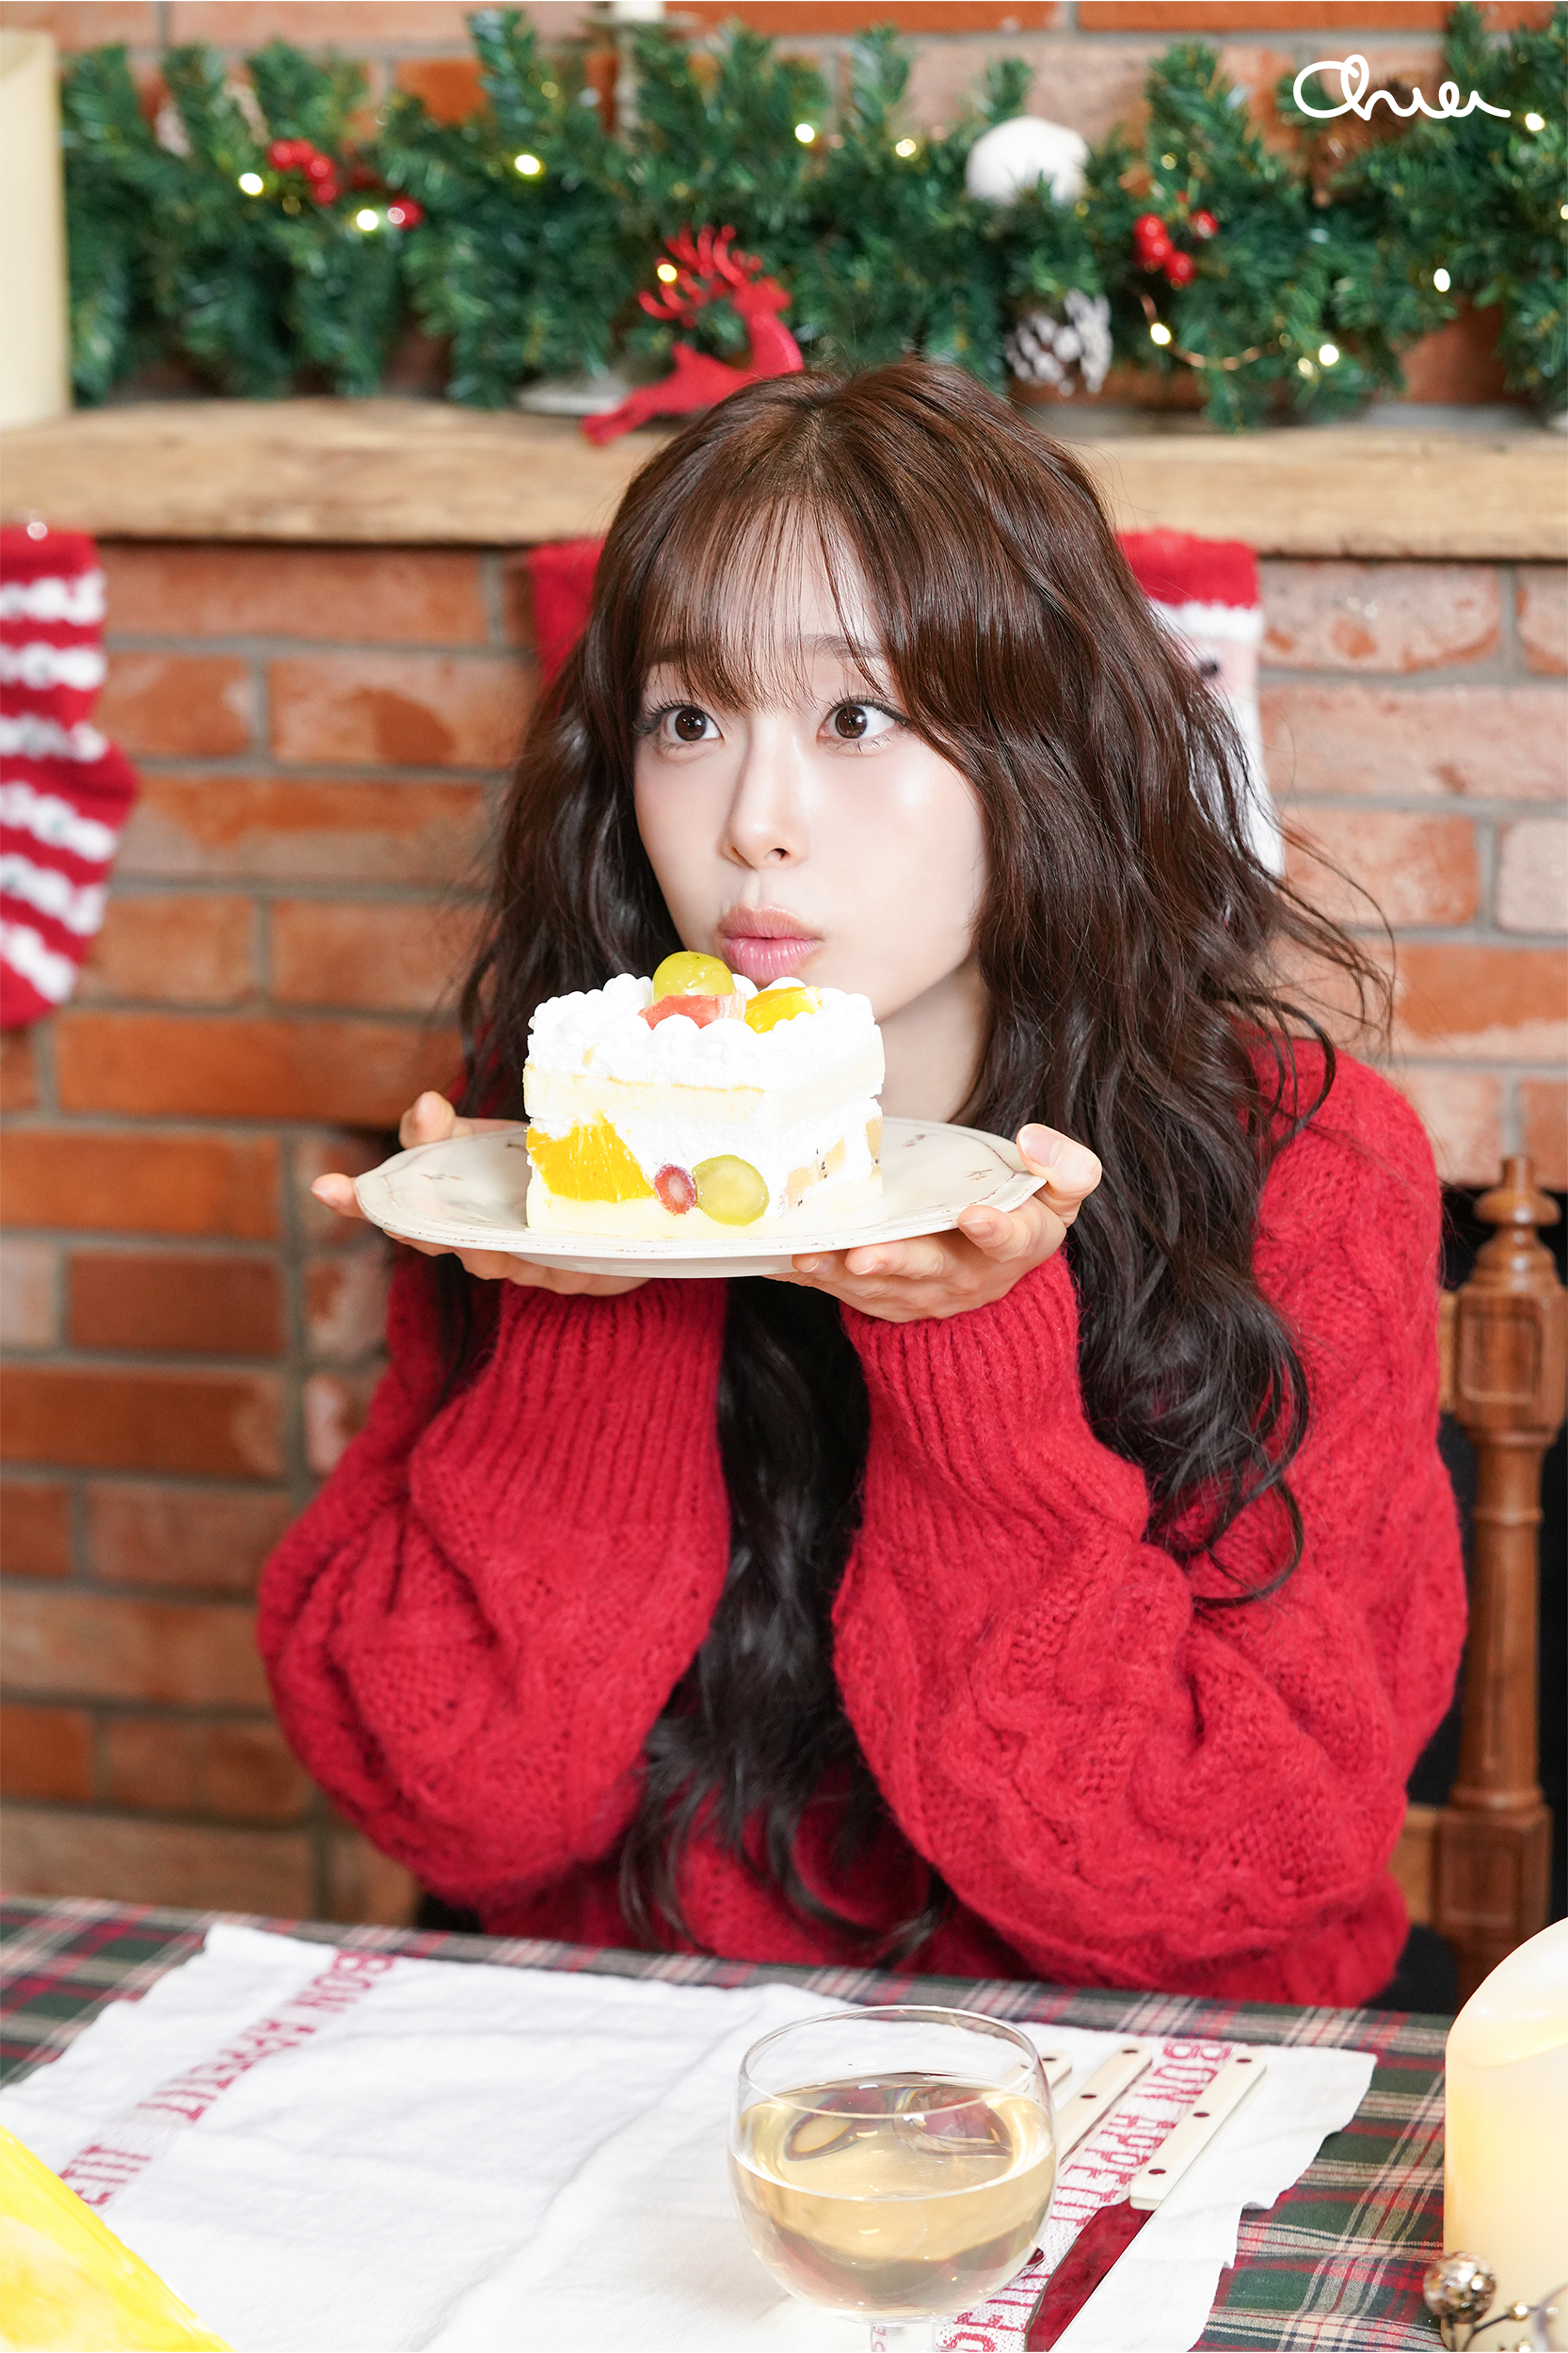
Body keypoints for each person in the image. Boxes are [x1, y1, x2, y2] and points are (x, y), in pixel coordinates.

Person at [261, 361, 1464, 2007]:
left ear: (1044, 746)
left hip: (1134, 2077)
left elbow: (1205, 1878)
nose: (753, 826)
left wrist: (970, 1355)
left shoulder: (1304, 1169)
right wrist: (590, 1291)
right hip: (642, 2059)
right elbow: (451, 1806)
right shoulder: (548, 1130)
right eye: (689, 721)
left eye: (855, 718)